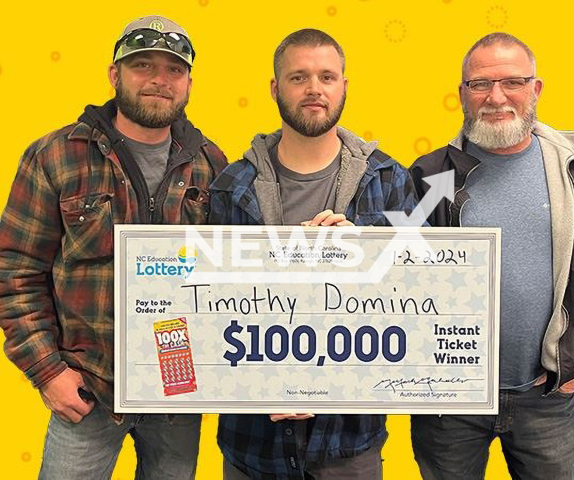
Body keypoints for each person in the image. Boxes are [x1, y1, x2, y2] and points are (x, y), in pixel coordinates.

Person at [0, 15, 227, 479]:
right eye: (143, 65)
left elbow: (233, 274)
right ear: (114, 74)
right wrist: (48, 372)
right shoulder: (56, 155)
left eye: (174, 70)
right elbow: (15, 270)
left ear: (188, 83)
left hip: (177, 390)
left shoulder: (211, 164)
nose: (159, 81)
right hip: (87, 391)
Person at [409, 32, 574, 480]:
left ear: (536, 89)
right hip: (448, 402)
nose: (496, 97)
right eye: (480, 84)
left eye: (512, 82)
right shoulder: (430, 176)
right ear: (462, 94)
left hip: (547, 399)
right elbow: (393, 270)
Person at [209, 28, 417, 479]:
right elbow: (208, 306)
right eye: (298, 77)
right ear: (275, 88)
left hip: (348, 441)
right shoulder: (232, 185)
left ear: (344, 86)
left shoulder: (389, 181)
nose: (314, 89)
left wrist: (361, 250)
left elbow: (414, 305)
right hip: (253, 441)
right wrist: (263, 387)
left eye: (326, 76)